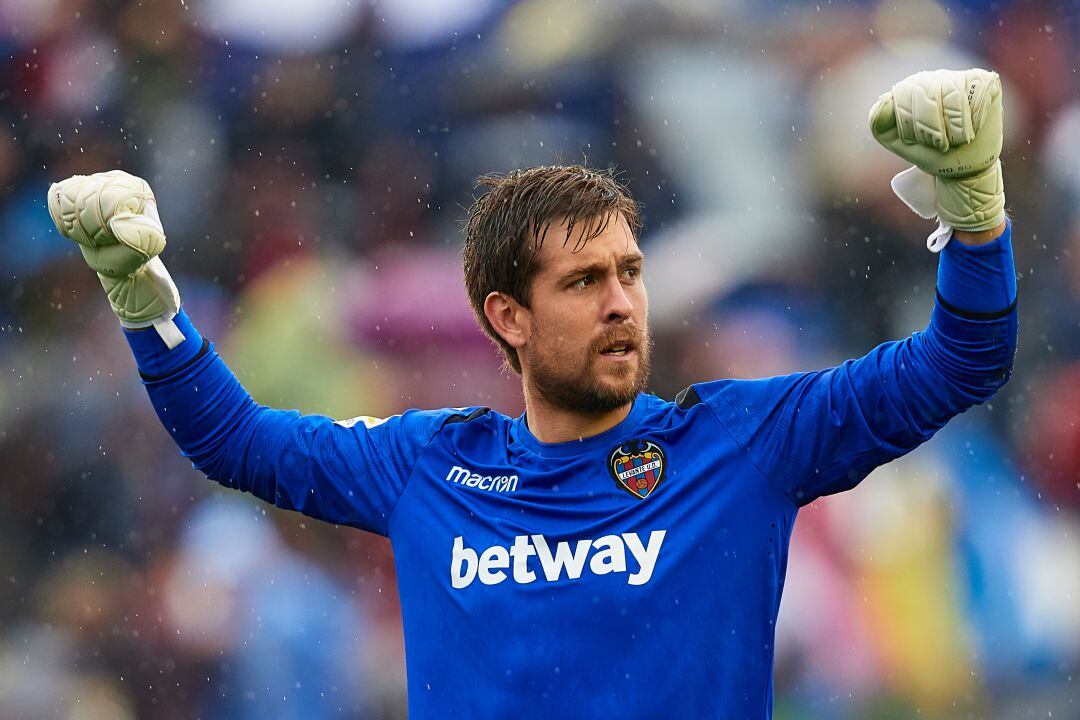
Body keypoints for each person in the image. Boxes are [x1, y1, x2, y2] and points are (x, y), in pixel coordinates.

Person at [46, 68, 1017, 718]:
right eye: (584, 283)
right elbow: (238, 444)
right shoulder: (427, 464)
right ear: (507, 316)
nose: (622, 304)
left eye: (630, 273)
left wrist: (975, 216)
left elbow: (960, 361)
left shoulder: (743, 442)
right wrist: (144, 302)